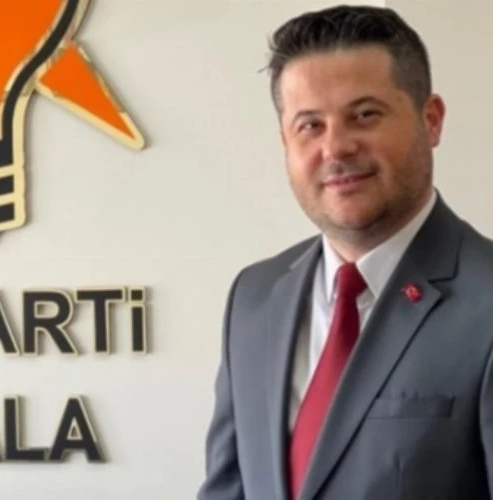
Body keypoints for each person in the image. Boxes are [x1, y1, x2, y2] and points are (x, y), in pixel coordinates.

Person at [197, 5, 493, 500]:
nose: (335, 148)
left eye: (365, 115)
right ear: (285, 141)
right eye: (310, 125)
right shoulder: (254, 296)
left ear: (431, 120)